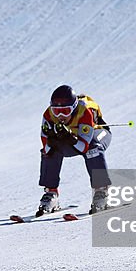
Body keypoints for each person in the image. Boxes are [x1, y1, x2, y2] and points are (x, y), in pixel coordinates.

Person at [38, 85, 112, 216]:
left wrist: (69, 137)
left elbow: (84, 147)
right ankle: (51, 192)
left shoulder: (84, 112)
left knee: (93, 149)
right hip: (75, 140)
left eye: (65, 111)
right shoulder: (48, 115)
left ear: (73, 108)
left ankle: (101, 191)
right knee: (50, 152)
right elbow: (46, 147)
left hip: (97, 134)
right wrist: (53, 141)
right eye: (56, 111)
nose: (60, 116)